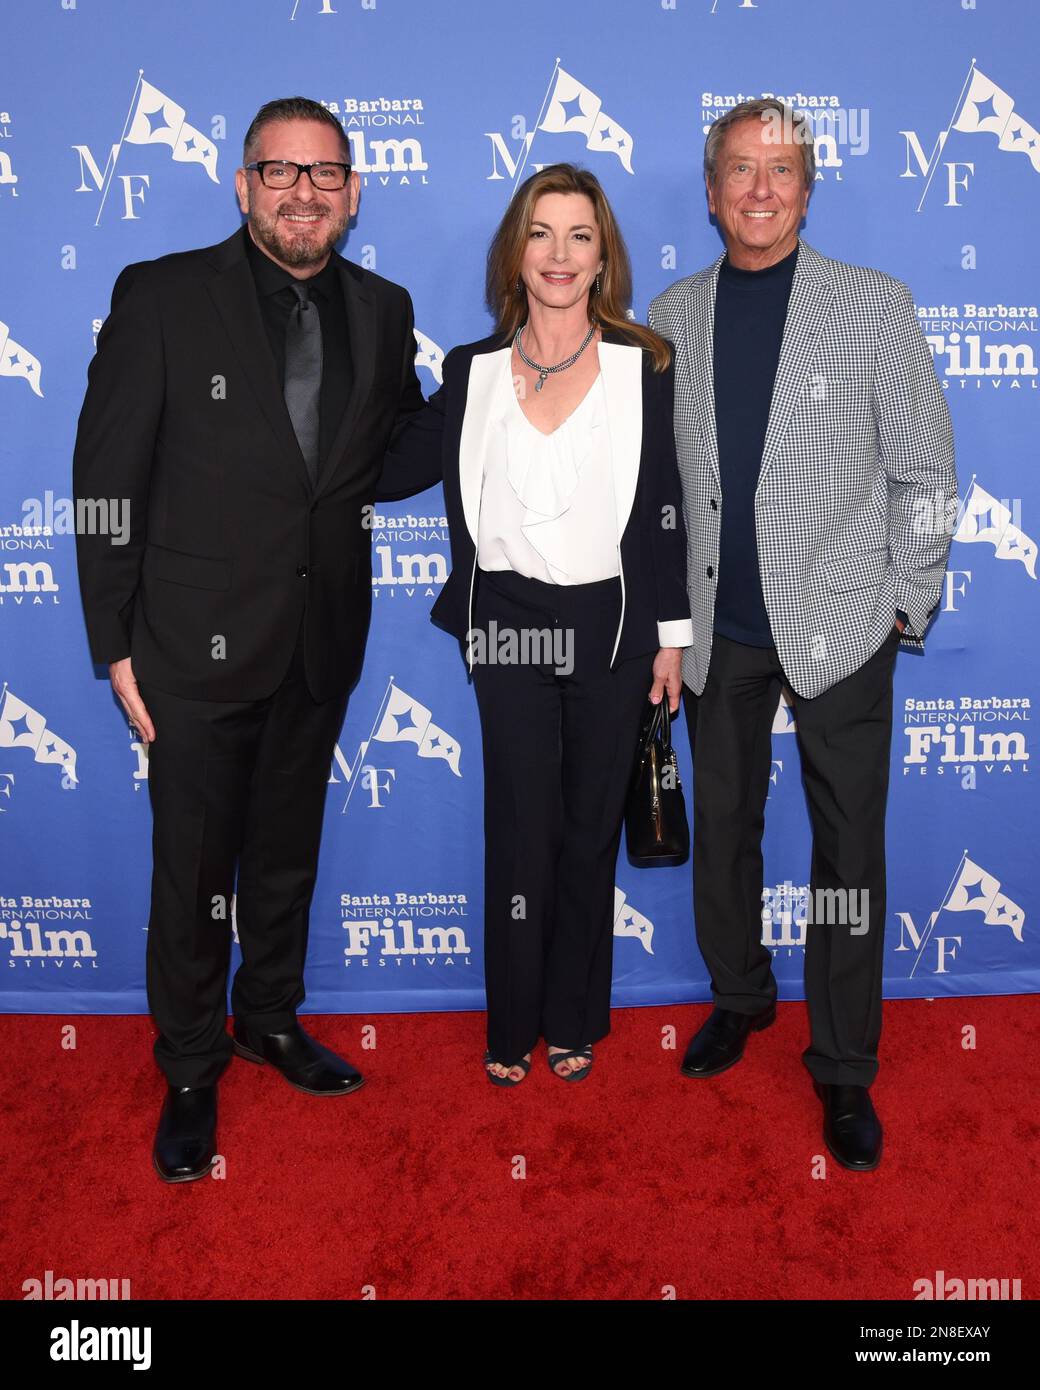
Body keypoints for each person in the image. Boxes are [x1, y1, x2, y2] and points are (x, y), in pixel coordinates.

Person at [72, 96, 438, 1183]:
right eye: (279, 170)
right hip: (187, 647)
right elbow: (105, 479)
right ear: (242, 186)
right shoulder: (161, 296)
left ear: (352, 194)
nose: (302, 191)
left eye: (324, 174)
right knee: (192, 874)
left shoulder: (381, 308)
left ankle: (268, 1018)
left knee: (283, 856)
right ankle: (189, 1069)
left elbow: (386, 453)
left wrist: (499, 385)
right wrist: (114, 640)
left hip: (319, 637)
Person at [648, 99, 956, 1169]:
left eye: (780, 170)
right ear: (710, 188)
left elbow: (924, 474)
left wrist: (899, 601)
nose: (760, 190)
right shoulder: (672, 314)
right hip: (715, 628)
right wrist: (666, 622)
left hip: (841, 625)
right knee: (724, 828)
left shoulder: (872, 305)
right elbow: (659, 488)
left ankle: (841, 1064)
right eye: (740, 170)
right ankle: (738, 995)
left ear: (807, 186)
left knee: (844, 855)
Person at [386, 163, 693, 1085]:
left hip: (614, 623)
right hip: (510, 622)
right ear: (515, 253)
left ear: (604, 259)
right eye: (542, 234)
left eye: (580, 236)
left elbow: (666, 506)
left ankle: (572, 1017)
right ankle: (509, 1022)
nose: (559, 255)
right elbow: (392, 463)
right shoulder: (470, 372)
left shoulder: (647, 367)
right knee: (520, 824)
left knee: (589, 826)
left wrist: (672, 636)